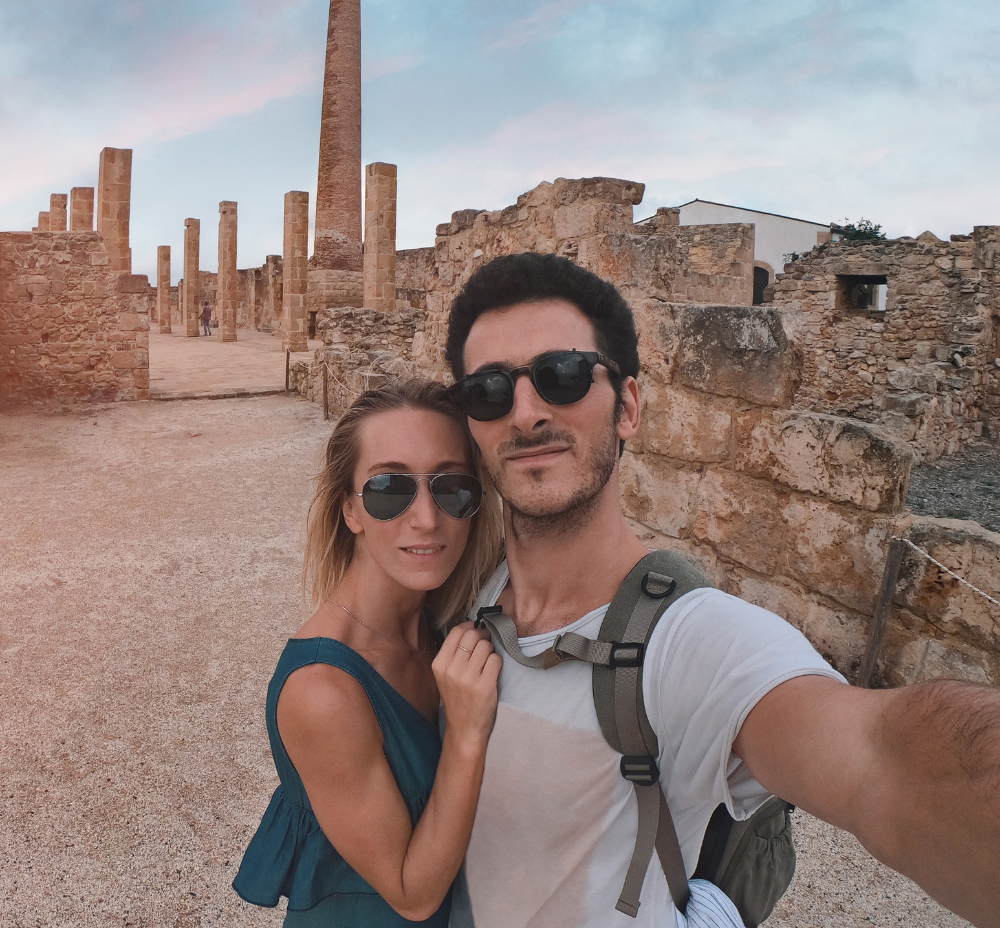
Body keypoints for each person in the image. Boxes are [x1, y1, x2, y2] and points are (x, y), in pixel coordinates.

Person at [443, 253, 1000, 928]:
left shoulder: (695, 640)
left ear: (627, 406)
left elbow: (882, 758)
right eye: (489, 392)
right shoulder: (463, 589)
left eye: (560, 377)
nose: (525, 413)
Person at [233, 379, 504, 925]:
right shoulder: (322, 691)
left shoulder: (442, 621)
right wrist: (468, 734)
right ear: (351, 511)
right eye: (389, 490)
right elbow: (412, 892)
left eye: (452, 487)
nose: (427, 518)